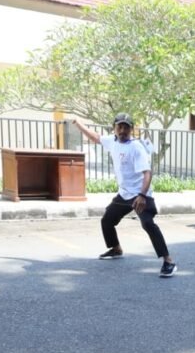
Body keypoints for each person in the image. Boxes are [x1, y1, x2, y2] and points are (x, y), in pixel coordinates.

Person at [73, 114, 176, 278]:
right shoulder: (112, 141)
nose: (122, 130)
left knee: (148, 224)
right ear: (114, 128)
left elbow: (147, 173)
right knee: (107, 220)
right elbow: (96, 137)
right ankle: (116, 248)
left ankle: (169, 261)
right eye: (119, 127)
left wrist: (142, 195)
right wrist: (78, 124)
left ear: (131, 129)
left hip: (140, 194)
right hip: (124, 194)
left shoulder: (136, 147)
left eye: (126, 127)